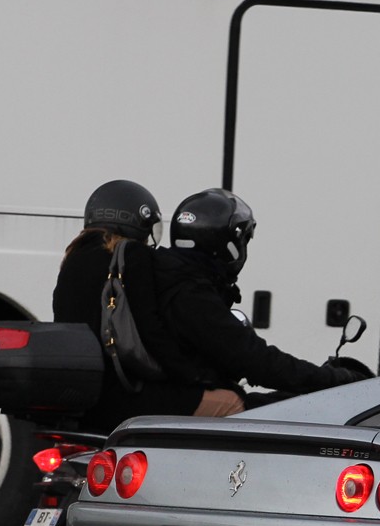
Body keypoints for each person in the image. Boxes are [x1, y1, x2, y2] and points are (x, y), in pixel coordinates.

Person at [52, 180, 245, 433]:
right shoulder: (131, 255)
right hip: (122, 396)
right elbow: (150, 329)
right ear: (138, 220)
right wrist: (196, 377)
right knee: (232, 403)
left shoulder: (73, 259)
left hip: (86, 397)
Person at [153, 188, 368, 401]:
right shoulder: (192, 294)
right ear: (226, 244)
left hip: (171, 398)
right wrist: (338, 379)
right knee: (278, 412)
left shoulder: (172, 277)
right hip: (173, 409)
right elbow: (257, 361)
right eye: (243, 240)